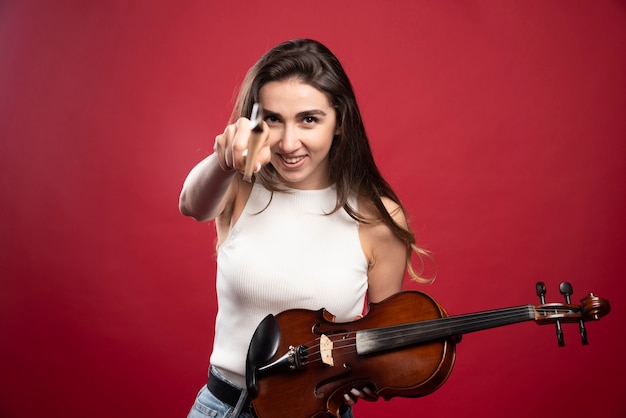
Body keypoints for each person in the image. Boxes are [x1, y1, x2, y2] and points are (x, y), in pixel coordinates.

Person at [179, 38, 432, 418]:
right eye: (273, 119)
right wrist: (224, 161)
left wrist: (364, 375)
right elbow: (191, 205)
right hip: (223, 407)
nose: (288, 142)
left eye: (309, 119)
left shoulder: (378, 218)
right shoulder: (240, 183)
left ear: (339, 122)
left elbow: (378, 337)